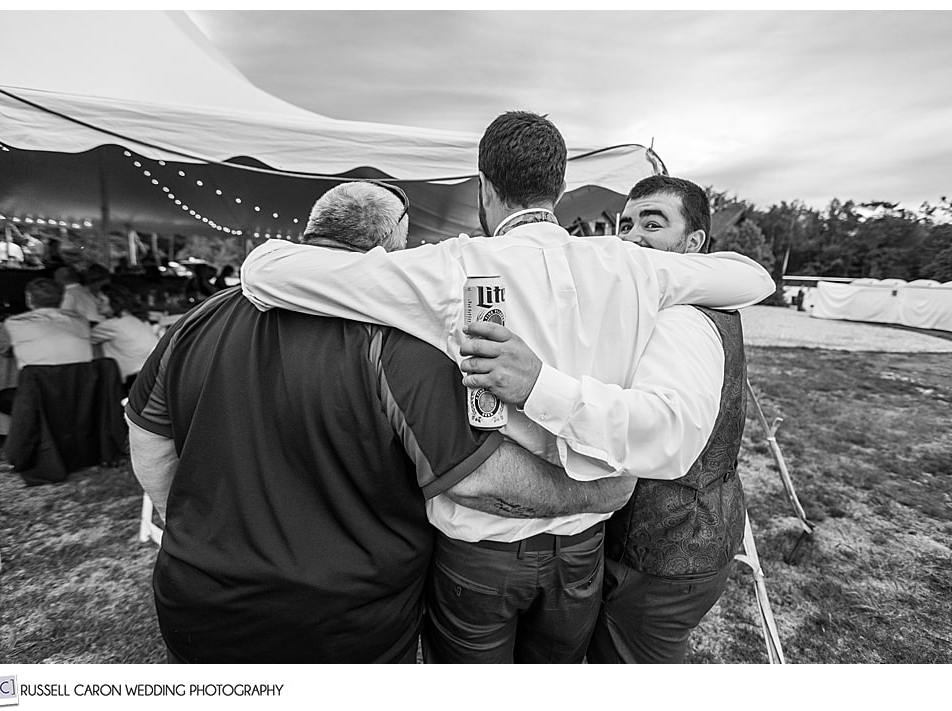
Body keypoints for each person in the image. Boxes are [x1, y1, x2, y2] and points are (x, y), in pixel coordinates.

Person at [239, 111, 775, 662]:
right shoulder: (634, 265)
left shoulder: (452, 266)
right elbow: (753, 277)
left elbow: (264, 270)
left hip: (481, 550)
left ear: (484, 188)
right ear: (560, 187)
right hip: (584, 546)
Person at [126, 181, 633, 664]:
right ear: (391, 244)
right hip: (345, 615)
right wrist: (596, 494)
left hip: (199, 595)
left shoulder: (198, 321)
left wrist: (190, 525)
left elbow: (148, 437)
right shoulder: (394, 341)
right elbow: (475, 480)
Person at [565, 174, 749, 663]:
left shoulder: (680, 316)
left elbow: (661, 428)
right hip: (700, 532)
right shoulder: (703, 300)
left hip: (664, 551)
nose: (633, 237)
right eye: (626, 224)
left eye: (653, 223)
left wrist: (539, 387)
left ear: (693, 243)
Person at [0, 278, 93, 414]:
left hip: (37, 394)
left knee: (1, 397)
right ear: (61, 299)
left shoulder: (14, 323)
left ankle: (12, 431)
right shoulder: (82, 322)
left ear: (29, 298)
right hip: (79, 393)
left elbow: (2, 350)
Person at [90, 284, 159, 390]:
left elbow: (85, 339)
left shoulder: (112, 325)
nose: (97, 303)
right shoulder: (138, 320)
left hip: (132, 381)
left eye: (102, 300)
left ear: (114, 302)